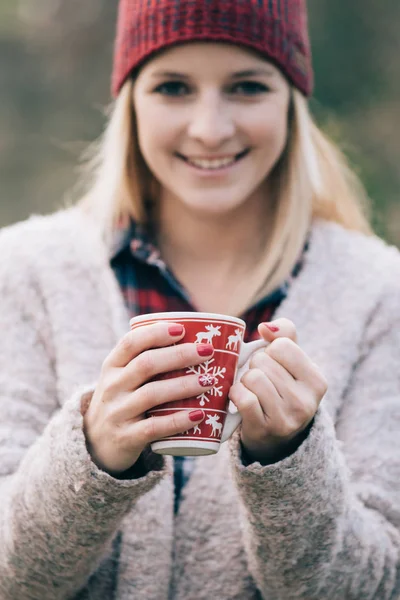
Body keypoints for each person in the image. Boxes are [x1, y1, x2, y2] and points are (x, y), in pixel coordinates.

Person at [1, 0, 400, 598]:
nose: (210, 128)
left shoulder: (380, 294)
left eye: (246, 86)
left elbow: (377, 583)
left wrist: (289, 461)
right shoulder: (24, 273)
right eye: (173, 87)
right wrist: (93, 453)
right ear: (129, 102)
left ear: (291, 102)